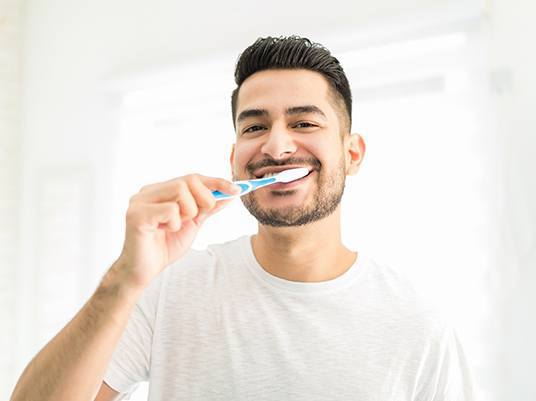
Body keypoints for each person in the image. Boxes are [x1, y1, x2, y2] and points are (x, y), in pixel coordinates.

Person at [10, 36, 474, 401]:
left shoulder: (419, 326)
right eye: (255, 126)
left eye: (304, 123)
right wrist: (124, 281)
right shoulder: (171, 290)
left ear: (352, 153)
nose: (275, 147)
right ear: (235, 159)